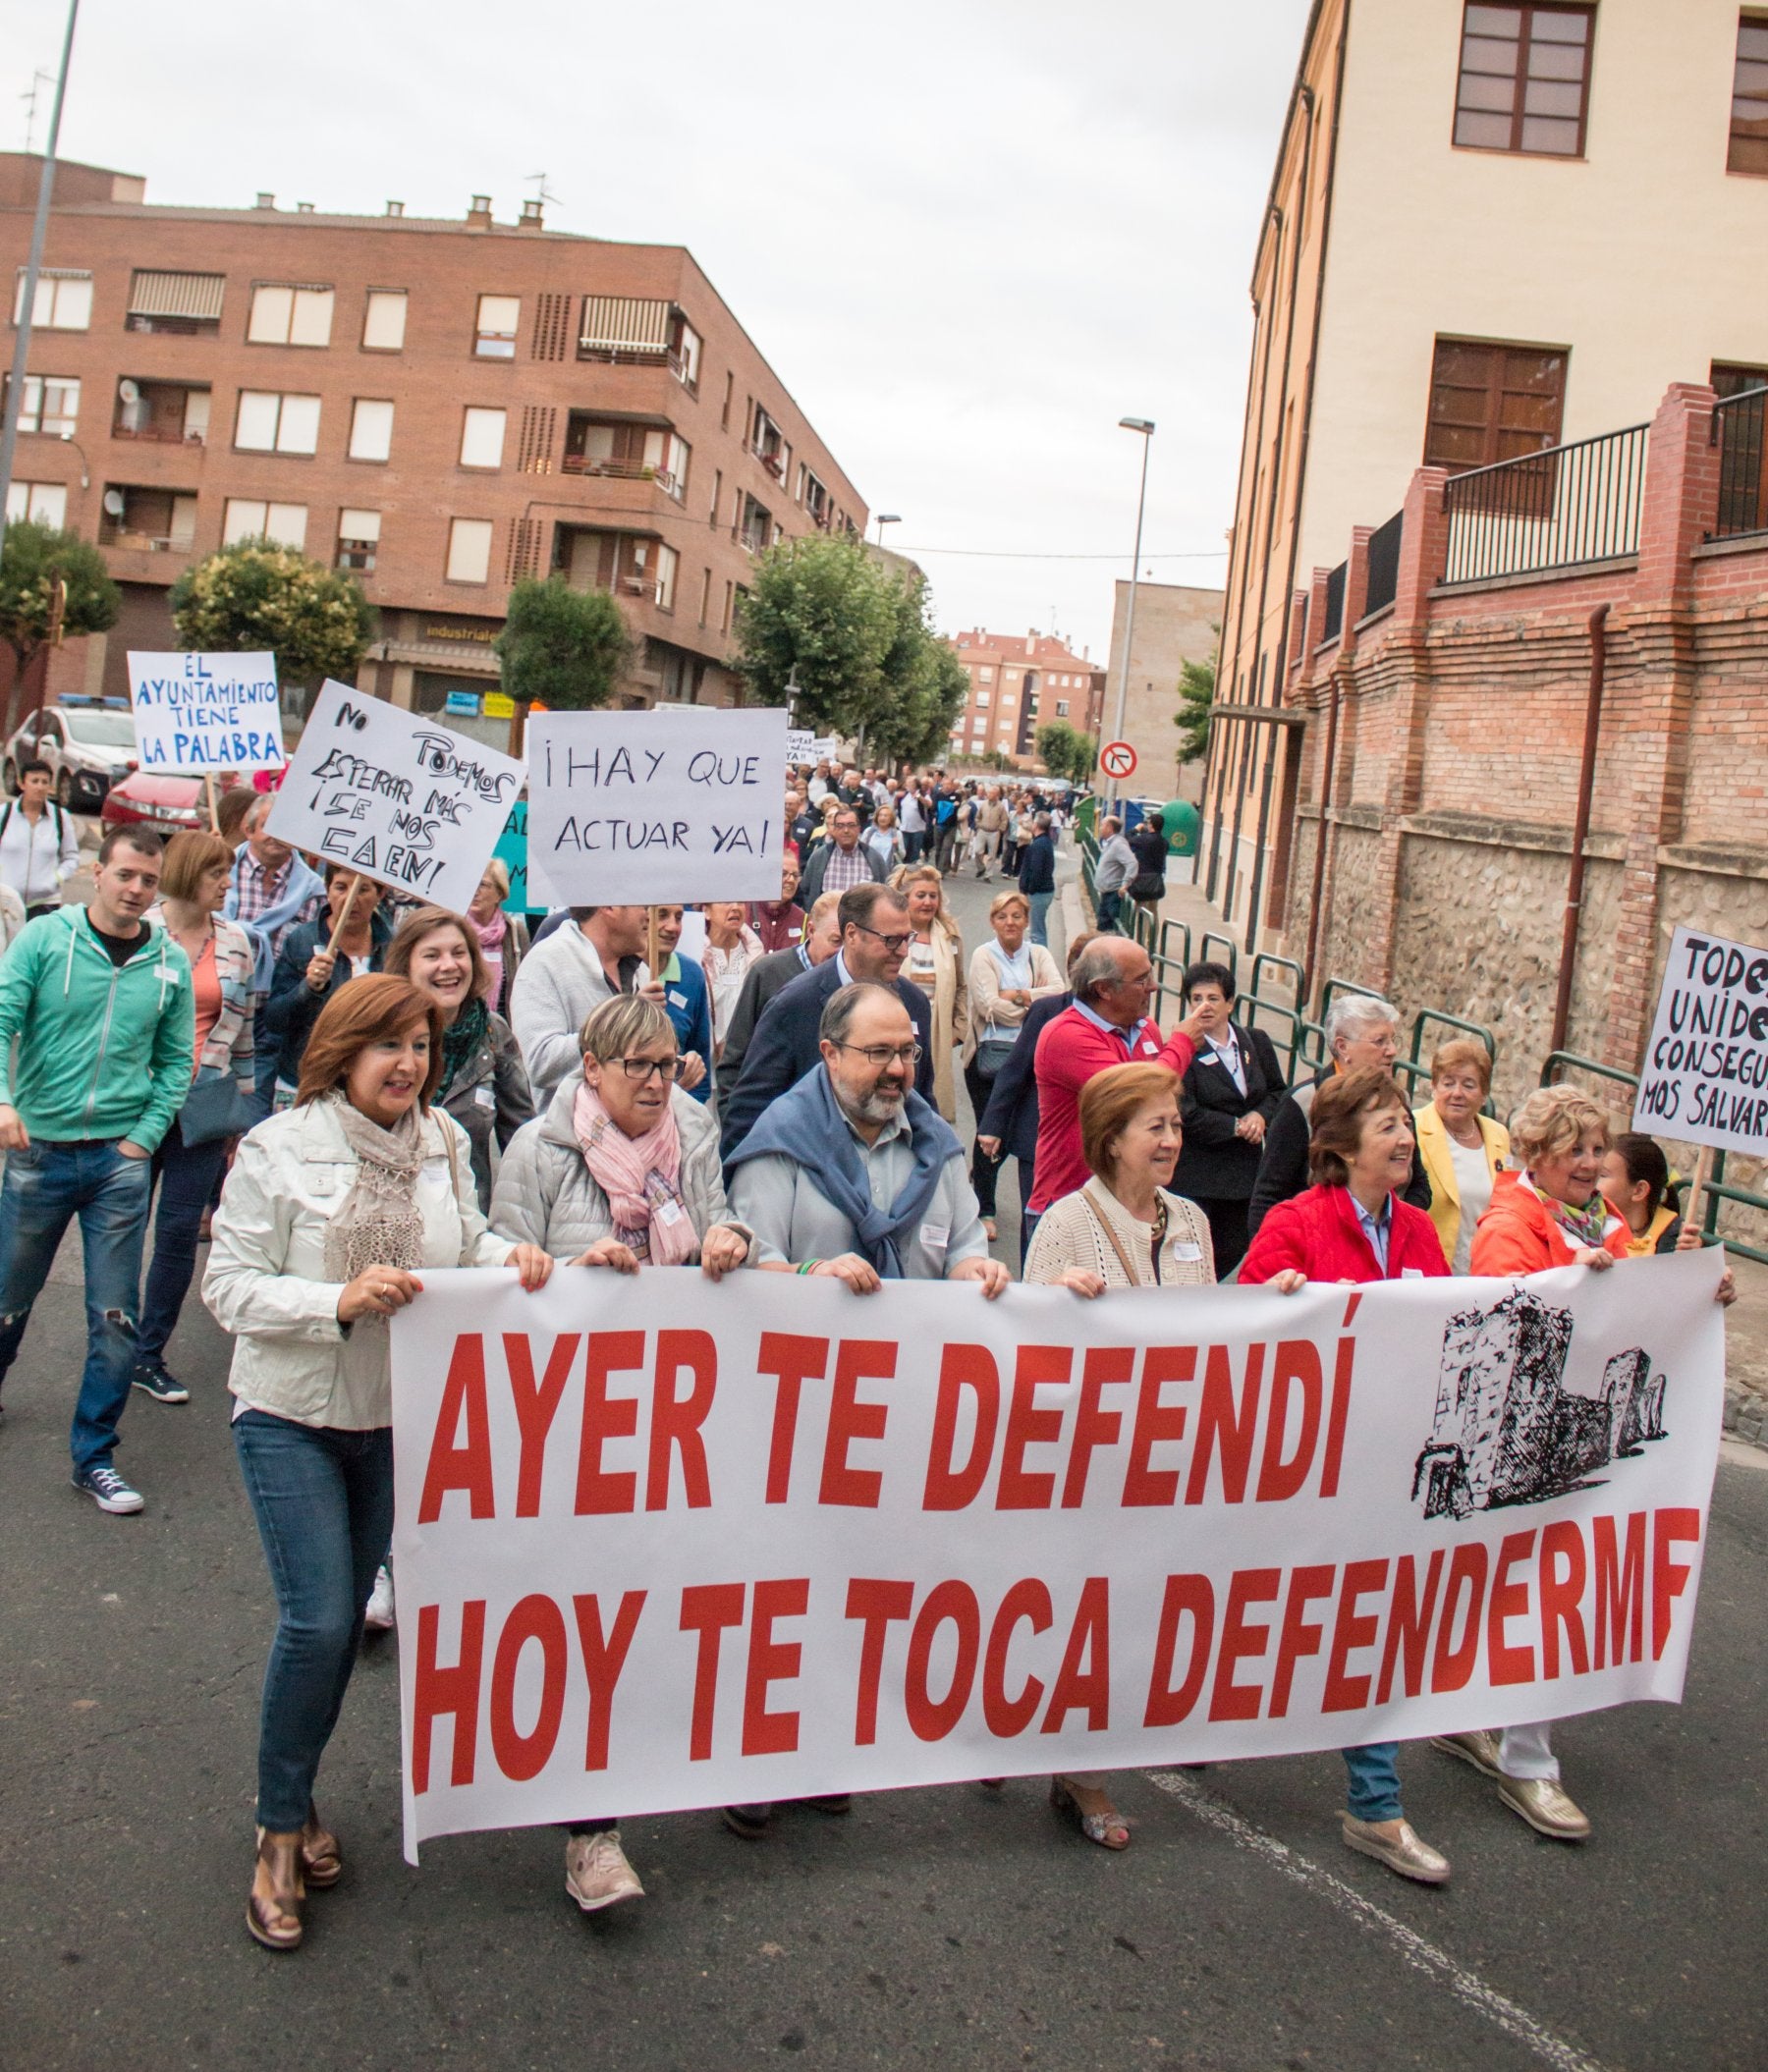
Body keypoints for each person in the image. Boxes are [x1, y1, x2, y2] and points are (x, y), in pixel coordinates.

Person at [204, 976, 552, 1950]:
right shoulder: (279, 1149)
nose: (408, 1061)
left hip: (397, 1420)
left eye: (421, 1043)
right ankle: (278, 1828)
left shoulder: (442, 1141)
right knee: (319, 1623)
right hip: (289, 1413)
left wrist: (518, 1259)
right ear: (341, 1052)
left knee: (343, 1617)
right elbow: (228, 1287)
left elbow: (468, 1240)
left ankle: (299, 1795)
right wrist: (337, 1301)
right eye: (387, 1043)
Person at [489, 991, 757, 1909]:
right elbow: (499, 1271)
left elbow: (724, 1221)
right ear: (591, 1071)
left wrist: (732, 1237)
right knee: (591, 1621)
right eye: (636, 1065)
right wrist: (568, 1275)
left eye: (668, 1059)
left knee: (680, 1607)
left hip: (682, 1416)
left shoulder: (694, 1126)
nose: (657, 1079)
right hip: (574, 1421)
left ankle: (709, 1764)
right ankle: (591, 1834)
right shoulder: (541, 1150)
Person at [725, 981, 1008, 1841]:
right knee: (777, 1592)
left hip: (902, 1412)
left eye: (908, 1053)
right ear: (829, 1055)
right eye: (879, 1053)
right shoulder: (781, 1150)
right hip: (795, 1414)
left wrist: (974, 1271)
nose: (897, 1070)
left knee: (858, 1592)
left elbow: (962, 1241)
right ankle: (751, 1760)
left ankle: (819, 1753)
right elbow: (749, 1263)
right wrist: (810, 1280)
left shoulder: (937, 1145)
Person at [1240, 1069, 1453, 1885]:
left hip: (1388, 1473)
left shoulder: (1421, 1234)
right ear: (1338, 1146)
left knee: (1377, 1622)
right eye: (1387, 1124)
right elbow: (1237, 1340)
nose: (1404, 1137)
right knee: (1260, 1606)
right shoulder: (1297, 1223)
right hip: (1297, 1476)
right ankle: (1183, 1729)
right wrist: (1281, 1301)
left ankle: (1376, 1806)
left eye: (1405, 1122)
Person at [1021, 1062, 1214, 1848]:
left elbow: (1212, 1327)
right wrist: (1056, 1305)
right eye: (1155, 1128)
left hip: (1171, 1455)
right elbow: (1025, 1348)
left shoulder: (1194, 1223)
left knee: (1151, 1603)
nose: (1171, 1141)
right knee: (1087, 1612)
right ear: (1111, 1140)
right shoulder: (1068, 1224)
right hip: (1090, 1460)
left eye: (1174, 1125)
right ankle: (1083, 1774)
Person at [0, 827, 194, 1508]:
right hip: (38, 1154)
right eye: (126, 875)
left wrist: (142, 1139)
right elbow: (0, 1020)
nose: (138, 889)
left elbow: (176, 1063)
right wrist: (3, 1101)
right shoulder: (46, 940)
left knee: (115, 1316)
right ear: (98, 872)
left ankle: (95, 1455)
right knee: (8, 1300)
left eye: (149, 880)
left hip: (117, 1161)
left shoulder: (167, 962)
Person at [133, 832, 257, 1405]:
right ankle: (109, 1345)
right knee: (120, 1227)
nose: (227, 884)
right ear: (186, 873)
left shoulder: (238, 942)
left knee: (180, 1232)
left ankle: (147, 1353)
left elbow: (246, 1033)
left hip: (204, 1107)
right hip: (133, 1101)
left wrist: (243, 1112)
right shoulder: (142, 933)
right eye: (216, 874)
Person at [719, 885, 937, 1159]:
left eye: (908, 938)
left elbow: (923, 1103)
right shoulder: (794, 1005)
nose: (904, 951)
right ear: (852, 934)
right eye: (891, 940)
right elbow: (750, 1110)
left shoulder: (914, 1004)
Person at [1023, 936, 1204, 1258]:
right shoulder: (1066, 1035)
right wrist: (1183, 1043)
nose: (1154, 987)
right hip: (1069, 1205)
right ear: (1104, 989)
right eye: (1142, 979)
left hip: (1132, 1206)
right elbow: (1138, 1094)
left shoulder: (1146, 1029)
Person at [383, 907, 533, 1211]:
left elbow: (522, 1139)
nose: (448, 966)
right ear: (406, 965)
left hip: (471, 1221)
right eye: (432, 956)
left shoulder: (493, 1033)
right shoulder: (380, 1032)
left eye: (458, 953)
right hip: (392, 1213)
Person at [1247, 996, 1430, 1240]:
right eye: (1380, 1041)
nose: (1392, 1050)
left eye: (1393, 1040)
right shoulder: (1302, 1103)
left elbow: (1419, 1184)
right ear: (1342, 1046)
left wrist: (1393, 1224)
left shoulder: (1399, 1102)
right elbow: (1268, 1196)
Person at [1172, 960, 1288, 1277]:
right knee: (1193, 1259)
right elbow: (1186, 1112)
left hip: (1244, 1176)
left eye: (1212, 998)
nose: (1204, 1006)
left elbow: (1278, 1092)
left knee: (1233, 1249)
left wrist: (1260, 1117)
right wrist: (1236, 1127)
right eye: (1196, 999)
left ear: (1230, 1003)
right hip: (1199, 1177)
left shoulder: (1256, 1042)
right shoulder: (1184, 1050)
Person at [967, 891, 1064, 1238]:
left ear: (1026, 920)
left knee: (1016, 1131)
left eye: (1017, 916)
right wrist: (1033, 1004)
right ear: (993, 921)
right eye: (1003, 916)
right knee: (990, 1132)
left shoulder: (1039, 954)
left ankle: (979, 1182)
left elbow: (1058, 992)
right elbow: (987, 1004)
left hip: (1028, 1058)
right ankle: (985, 1209)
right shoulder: (984, 955)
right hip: (989, 1059)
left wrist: (1017, 996)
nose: (1010, 923)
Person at [225, 794, 324, 1114]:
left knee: (251, 1116)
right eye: (269, 825)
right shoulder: (221, 871)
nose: (278, 834)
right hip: (220, 1005)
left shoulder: (312, 889)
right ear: (248, 828)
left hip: (271, 1016)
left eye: (287, 826)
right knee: (206, 1114)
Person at [265, 868, 393, 1108]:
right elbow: (274, 1019)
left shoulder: (392, 946)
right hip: (304, 1083)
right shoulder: (302, 941)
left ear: (380, 893)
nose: (350, 899)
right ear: (327, 890)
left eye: (363, 889)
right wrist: (309, 988)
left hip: (368, 1089)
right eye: (340, 887)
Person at [509, 903, 656, 1096]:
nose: (649, 916)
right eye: (643, 906)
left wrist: (672, 1069)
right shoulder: (545, 962)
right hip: (570, 1124)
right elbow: (540, 1063)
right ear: (611, 906)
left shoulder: (641, 972)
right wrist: (623, 1022)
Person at [719, 892, 842, 1091]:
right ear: (811, 930)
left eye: (849, 942)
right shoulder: (768, 973)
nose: (842, 953)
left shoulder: (857, 981)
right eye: (835, 941)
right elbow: (736, 1056)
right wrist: (733, 1116)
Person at [1414, 1038, 1510, 1273]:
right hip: (1429, 1270)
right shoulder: (1412, 1127)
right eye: (1448, 1083)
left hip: (1483, 1270)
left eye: (1468, 1085)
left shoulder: (1498, 1134)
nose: (1457, 1093)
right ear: (1433, 1086)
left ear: (1484, 1094)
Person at [894, 864, 968, 1124]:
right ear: (905, 899)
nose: (927, 902)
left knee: (931, 1101)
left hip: (937, 1035)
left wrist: (958, 1030)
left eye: (932, 896)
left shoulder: (951, 937)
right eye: (920, 895)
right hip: (897, 1029)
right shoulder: (893, 936)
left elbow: (961, 986)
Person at [648, 903, 713, 1105]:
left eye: (678, 917)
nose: (672, 927)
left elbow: (701, 1061)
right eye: (662, 915)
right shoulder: (621, 971)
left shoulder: (691, 974)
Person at [0, 759, 80, 918]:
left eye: (45, 782)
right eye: (34, 781)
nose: (40, 787)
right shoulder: (4, 814)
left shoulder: (60, 818)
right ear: (22, 783)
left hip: (45, 904)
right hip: (6, 902)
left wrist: (56, 878)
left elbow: (71, 857)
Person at [1602, 1130, 1685, 1255]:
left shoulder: (1676, 1239)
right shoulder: (1587, 1224)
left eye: (1602, 1175)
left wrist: (1692, 1257)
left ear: (1639, 1190)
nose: (1590, 1180)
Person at [701, 901, 764, 1058]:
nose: (735, 907)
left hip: (746, 1060)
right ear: (706, 911)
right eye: (727, 901)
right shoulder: (696, 956)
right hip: (705, 1060)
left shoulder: (756, 957)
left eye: (741, 902)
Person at [467, 859, 528, 1016]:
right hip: (466, 1026)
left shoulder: (515, 931)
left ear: (499, 893)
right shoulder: (457, 930)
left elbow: (527, 983)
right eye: (472, 883)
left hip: (505, 1028)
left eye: (483, 885)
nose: (475, 891)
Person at [798, 805, 887, 905]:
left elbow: (885, 894)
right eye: (840, 826)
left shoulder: (874, 859)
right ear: (834, 829)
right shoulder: (818, 858)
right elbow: (806, 890)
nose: (846, 830)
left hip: (862, 919)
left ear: (859, 828)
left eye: (851, 825)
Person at [748, 857, 805, 954]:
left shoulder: (803, 920)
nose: (791, 880)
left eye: (795, 876)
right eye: (784, 874)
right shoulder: (744, 912)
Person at [1017, 812, 1057, 947]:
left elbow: (1036, 870)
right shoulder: (1045, 842)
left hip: (1039, 892)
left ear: (1037, 825)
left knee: (1037, 931)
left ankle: (1040, 958)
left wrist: (1029, 889)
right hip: (1043, 890)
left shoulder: (1038, 845)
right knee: (1036, 927)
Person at [1092, 816, 1134, 934]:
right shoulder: (1110, 843)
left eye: (1102, 825)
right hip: (1107, 893)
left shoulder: (1118, 844)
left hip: (1113, 895)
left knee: (1110, 928)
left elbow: (1132, 863)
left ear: (1109, 828)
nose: (1100, 828)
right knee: (1103, 927)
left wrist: (1125, 884)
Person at [1124, 810, 1169, 920]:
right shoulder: (1164, 842)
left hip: (1142, 879)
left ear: (1151, 825)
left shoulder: (1144, 839)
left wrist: (1136, 829)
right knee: (1153, 911)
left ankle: (1140, 936)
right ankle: (1152, 936)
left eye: (1148, 823)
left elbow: (1128, 838)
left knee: (1141, 910)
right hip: (1156, 880)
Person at [973, 787, 1009, 881]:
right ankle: (981, 867)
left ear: (996, 795)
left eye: (991, 793)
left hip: (994, 832)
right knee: (977, 851)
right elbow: (978, 816)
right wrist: (978, 825)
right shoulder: (984, 804)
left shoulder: (1001, 806)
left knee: (992, 854)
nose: (989, 795)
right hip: (982, 830)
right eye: (988, 793)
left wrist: (1000, 829)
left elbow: (1004, 819)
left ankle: (988, 874)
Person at [863, 801, 906, 877]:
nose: (883, 818)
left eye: (886, 816)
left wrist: (896, 846)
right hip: (869, 869)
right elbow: (861, 850)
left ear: (891, 818)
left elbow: (902, 855)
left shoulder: (897, 834)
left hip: (888, 871)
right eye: (881, 815)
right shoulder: (868, 832)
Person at [898, 782, 926, 864]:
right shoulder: (905, 794)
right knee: (903, 852)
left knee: (914, 854)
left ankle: (912, 872)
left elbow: (929, 804)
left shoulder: (922, 794)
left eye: (910, 784)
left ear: (915, 786)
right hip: (904, 828)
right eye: (907, 784)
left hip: (917, 829)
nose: (907, 786)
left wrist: (919, 797)